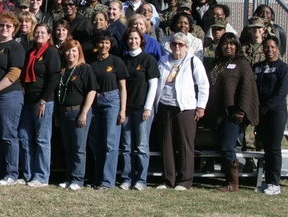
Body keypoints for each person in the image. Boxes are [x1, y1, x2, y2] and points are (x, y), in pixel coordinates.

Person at [205, 33, 260, 192]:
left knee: (227, 146)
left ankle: (233, 183)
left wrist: (242, 110)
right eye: (225, 44)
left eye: (231, 44)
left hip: (233, 114)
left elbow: (247, 88)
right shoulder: (216, 63)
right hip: (217, 113)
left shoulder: (242, 64)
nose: (228, 47)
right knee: (221, 146)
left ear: (237, 46)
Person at [154, 32, 210, 190]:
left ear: (186, 46)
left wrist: (201, 106)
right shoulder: (163, 61)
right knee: (166, 143)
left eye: (180, 44)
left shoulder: (193, 61)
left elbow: (203, 85)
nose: (177, 47)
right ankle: (168, 179)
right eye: (174, 44)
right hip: (165, 105)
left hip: (185, 107)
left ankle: (184, 180)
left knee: (185, 144)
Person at [0, 11, 27, 186]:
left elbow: (15, 72)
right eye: (1, 25)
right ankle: (1, 172)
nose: (4, 28)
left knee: (9, 135)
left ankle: (11, 173)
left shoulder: (15, 47)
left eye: (8, 25)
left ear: (14, 28)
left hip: (8, 96)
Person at [18, 24, 60, 187]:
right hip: (28, 100)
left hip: (44, 102)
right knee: (24, 136)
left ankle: (42, 176)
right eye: (37, 32)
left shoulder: (51, 53)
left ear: (49, 35)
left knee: (42, 139)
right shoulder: (31, 52)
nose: (39, 35)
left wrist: (43, 100)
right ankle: (28, 174)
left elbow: (53, 78)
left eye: (43, 32)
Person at [119, 26, 160, 191]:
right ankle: (127, 178)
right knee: (126, 146)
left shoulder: (148, 60)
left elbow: (153, 85)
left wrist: (148, 108)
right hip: (126, 110)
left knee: (142, 147)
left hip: (143, 109)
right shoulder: (123, 60)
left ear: (141, 40)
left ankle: (141, 179)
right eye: (130, 38)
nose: (133, 41)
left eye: (136, 38)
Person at [86, 34, 128, 189]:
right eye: (101, 42)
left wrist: (123, 109)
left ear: (110, 45)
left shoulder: (117, 62)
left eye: (106, 43)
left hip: (112, 101)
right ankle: (96, 178)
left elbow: (123, 87)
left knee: (110, 143)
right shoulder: (91, 62)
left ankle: (107, 181)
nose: (103, 45)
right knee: (95, 142)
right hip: (94, 102)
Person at [55, 39, 97, 191]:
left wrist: (84, 112)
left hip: (78, 111)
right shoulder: (63, 70)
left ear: (79, 52)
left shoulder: (85, 69)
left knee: (79, 148)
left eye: (74, 50)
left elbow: (92, 91)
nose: (70, 53)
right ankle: (69, 177)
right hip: (63, 112)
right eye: (67, 50)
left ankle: (78, 179)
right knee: (68, 148)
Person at [254, 36, 288, 196]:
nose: (269, 50)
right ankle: (267, 181)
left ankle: (274, 183)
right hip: (260, 113)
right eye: (266, 47)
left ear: (278, 48)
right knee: (266, 147)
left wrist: (266, 107)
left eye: (272, 47)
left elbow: (282, 92)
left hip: (276, 112)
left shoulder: (282, 68)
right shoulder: (257, 67)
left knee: (274, 148)